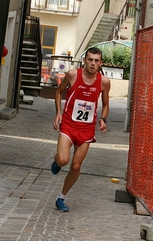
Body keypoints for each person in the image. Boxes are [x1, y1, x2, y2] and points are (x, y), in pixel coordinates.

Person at [50, 47, 111, 212]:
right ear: (84, 60)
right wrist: (58, 113)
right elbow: (58, 92)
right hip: (69, 125)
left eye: (96, 61)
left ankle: (61, 198)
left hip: (86, 130)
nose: (93, 64)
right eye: (90, 60)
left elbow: (105, 105)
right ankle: (56, 161)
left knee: (76, 166)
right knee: (63, 160)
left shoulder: (104, 82)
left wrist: (103, 119)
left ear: (100, 63)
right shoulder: (72, 75)